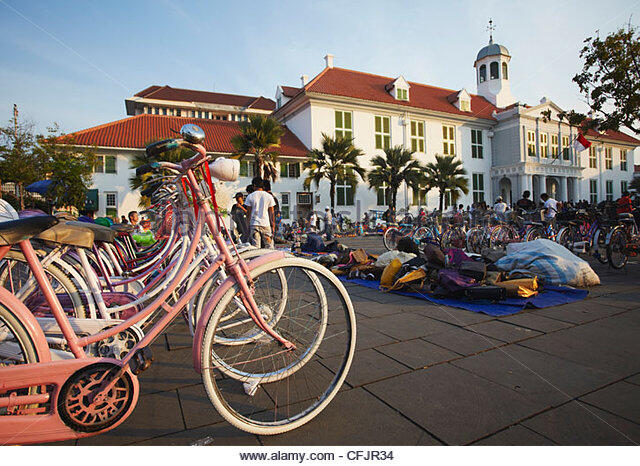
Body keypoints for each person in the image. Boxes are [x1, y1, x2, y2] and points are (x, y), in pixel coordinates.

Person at [244, 177, 275, 248]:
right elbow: (271, 212)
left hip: (254, 224)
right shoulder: (269, 196)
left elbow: (248, 213)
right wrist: (273, 225)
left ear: (254, 185)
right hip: (266, 224)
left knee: (256, 246)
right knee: (269, 246)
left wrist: (247, 225)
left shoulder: (250, 196)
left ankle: (257, 258)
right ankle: (270, 259)